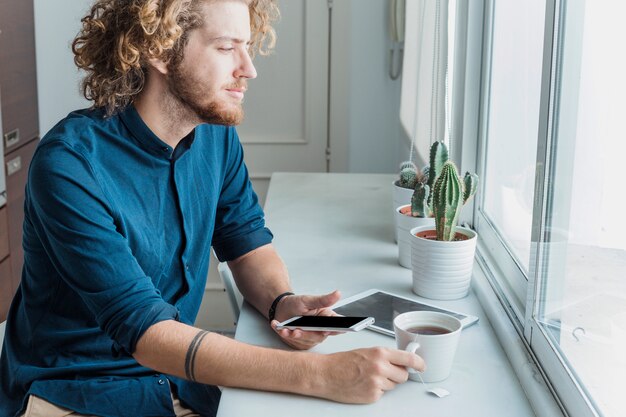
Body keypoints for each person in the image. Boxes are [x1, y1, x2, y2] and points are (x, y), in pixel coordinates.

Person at [0, 0, 424, 416]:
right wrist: (320, 375)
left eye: (247, 46)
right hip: (73, 393)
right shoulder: (70, 165)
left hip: (175, 379)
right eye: (226, 48)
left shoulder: (214, 138)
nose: (248, 68)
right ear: (160, 50)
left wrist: (282, 302)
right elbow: (145, 332)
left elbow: (245, 242)